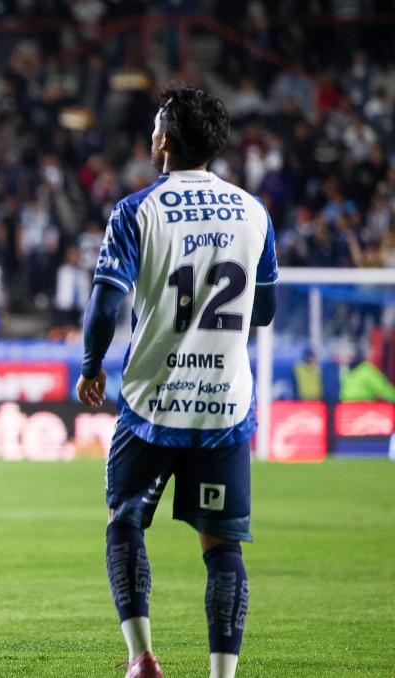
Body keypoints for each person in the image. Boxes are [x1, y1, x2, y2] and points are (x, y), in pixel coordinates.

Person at [75, 87, 278, 678]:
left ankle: (141, 657)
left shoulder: (137, 210)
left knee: (124, 520)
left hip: (152, 400)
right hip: (224, 406)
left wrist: (91, 366)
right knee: (222, 547)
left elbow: (104, 304)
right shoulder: (254, 212)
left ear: (163, 139)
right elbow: (264, 312)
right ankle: (222, 675)